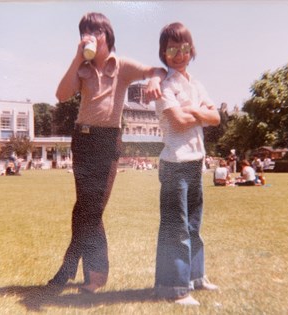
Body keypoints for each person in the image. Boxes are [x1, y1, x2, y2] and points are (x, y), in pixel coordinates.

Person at [46, 12, 165, 293]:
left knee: (92, 209)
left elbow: (156, 70)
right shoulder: (83, 67)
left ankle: (72, 268)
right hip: (83, 139)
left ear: (106, 35)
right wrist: (77, 59)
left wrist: (153, 81)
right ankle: (91, 274)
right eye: (83, 32)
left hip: (107, 140)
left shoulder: (122, 65)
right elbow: (61, 95)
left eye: (93, 31)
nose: (87, 37)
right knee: (83, 210)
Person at [154, 22, 220, 306]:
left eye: (184, 49)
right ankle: (174, 287)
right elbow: (178, 123)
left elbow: (216, 117)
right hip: (174, 164)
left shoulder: (196, 84)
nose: (179, 55)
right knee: (175, 227)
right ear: (163, 53)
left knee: (194, 225)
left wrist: (192, 109)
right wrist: (200, 112)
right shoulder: (163, 86)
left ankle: (195, 276)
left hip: (195, 162)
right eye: (172, 49)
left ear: (191, 51)